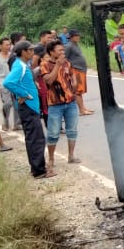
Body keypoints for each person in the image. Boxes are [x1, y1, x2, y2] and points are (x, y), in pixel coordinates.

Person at [3, 40, 52, 178]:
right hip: (29, 107)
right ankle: (39, 171)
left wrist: (30, 86)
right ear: (23, 52)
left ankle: (36, 168)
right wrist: (24, 94)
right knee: (36, 139)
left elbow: (21, 81)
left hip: (30, 107)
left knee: (33, 138)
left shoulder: (23, 65)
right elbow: (8, 82)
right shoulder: (20, 66)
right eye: (30, 50)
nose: (32, 52)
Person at [40, 39, 81, 170]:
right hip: (55, 104)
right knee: (53, 133)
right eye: (60, 50)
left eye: (63, 50)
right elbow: (49, 81)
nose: (63, 52)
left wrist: (74, 83)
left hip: (70, 101)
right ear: (52, 52)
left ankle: (71, 156)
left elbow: (72, 75)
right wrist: (57, 65)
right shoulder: (45, 65)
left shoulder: (67, 63)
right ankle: (51, 159)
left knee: (72, 130)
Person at [0, 37, 20, 132]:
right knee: (7, 103)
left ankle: (16, 123)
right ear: (0, 46)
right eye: (6, 45)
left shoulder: (13, 56)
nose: (8, 46)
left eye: (9, 44)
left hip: (14, 82)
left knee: (17, 103)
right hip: (3, 83)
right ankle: (6, 120)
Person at [64, 29, 93, 115]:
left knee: (80, 91)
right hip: (75, 70)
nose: (78, 37)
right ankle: (81, 110)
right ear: (71, 37)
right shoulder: (68, 46)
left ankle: (83, 108)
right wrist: (68, 70)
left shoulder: (75, 44)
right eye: (76, 36)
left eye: (78, 35)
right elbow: (65, 59)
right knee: (77, 91)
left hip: (81, 70)